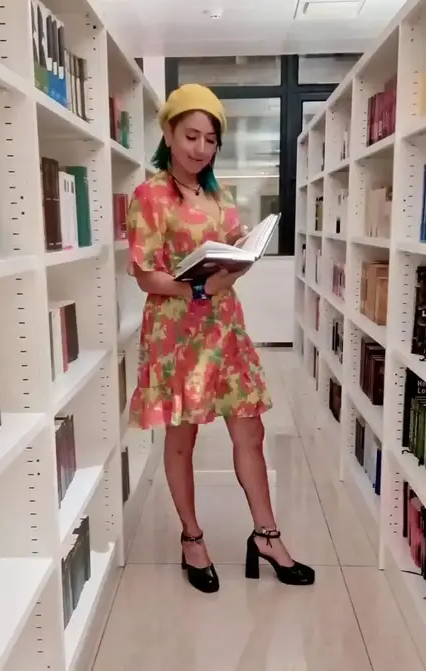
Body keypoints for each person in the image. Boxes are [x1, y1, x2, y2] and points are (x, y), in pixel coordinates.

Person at [126, 83, 314, 594]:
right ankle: (192, 537)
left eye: (210, 139)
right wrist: (197, 288)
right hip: (177, 332)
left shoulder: (219, 195)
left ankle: (267, 535)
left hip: (225, 326)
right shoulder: (149, 196)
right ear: (168, 134)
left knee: (250, 432)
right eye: (191, 136)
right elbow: (145, 275)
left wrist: (243, 252)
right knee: (182, 439)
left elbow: (232, 255)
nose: (201, 148)